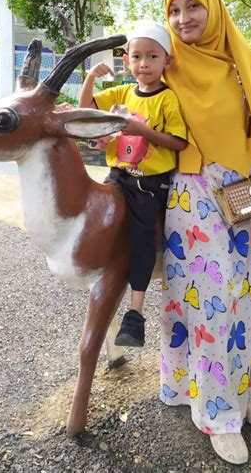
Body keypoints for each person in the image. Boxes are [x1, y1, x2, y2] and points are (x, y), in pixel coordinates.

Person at [159, 0, 251, 465]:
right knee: (210, 304)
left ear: (213, 8)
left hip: (247, 196)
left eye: (194, 7)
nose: (183, 19)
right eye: (175, 10)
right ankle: (215, 411)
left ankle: (244, 387)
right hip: (193, 201)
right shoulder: (165, 65)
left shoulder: (243, 66)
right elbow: (135, 108)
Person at [79, 20, 187, 347]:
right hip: (118, 176)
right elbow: (88, 108)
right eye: (137, 57)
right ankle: (95, 268)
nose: (144, 64)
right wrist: (90, 77)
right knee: (93, 209)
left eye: (152, 57)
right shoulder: (123, 92)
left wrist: (143, 132)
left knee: (141, 238)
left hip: (147, 184)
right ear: (127, 61)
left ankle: (135, 314)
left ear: (166, 61)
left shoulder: (168, 99)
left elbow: (179, 142)